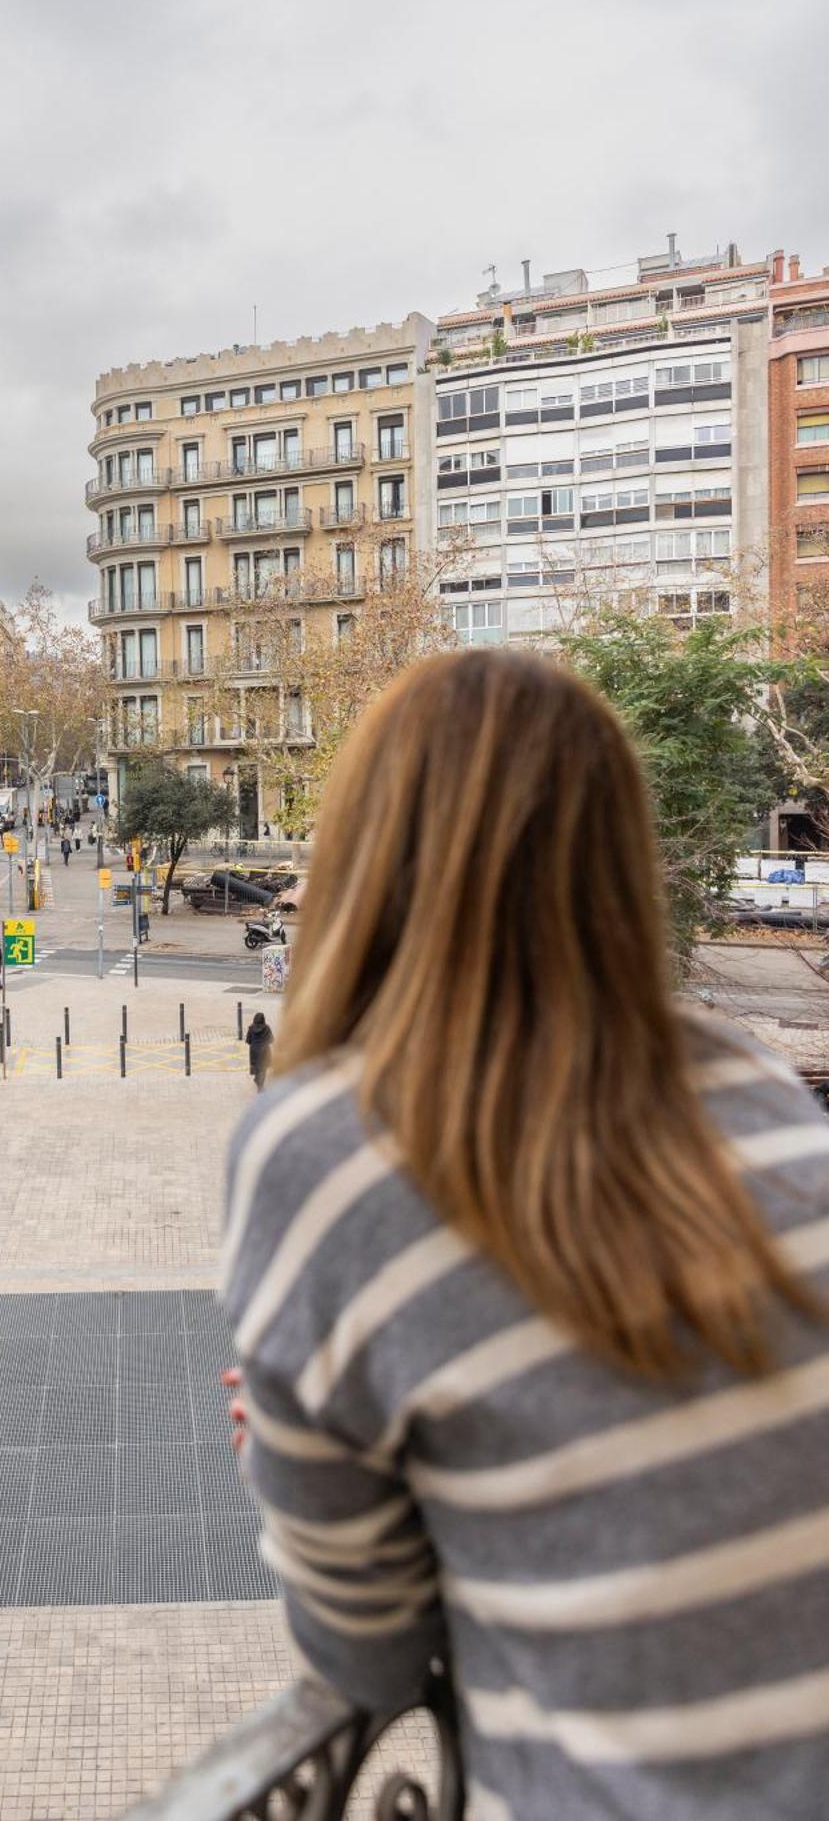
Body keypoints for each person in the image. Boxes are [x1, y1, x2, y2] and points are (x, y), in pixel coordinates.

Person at [221, 649, 829, 1819]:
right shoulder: (745, 1074)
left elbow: (368, 1652)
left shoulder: (318, 1150)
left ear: (360, 854)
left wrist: (289, 1442)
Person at [244, 1010, 273, 1089]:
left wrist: (255, 1044)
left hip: (254, 1051)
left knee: (257, 1067)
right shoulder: (267, 1028)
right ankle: (261, 1086)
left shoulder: (251, 1028)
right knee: (263, 1068)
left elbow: (248, 1040)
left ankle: (257, 1079)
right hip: (264, 1051)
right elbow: (271, 1040)